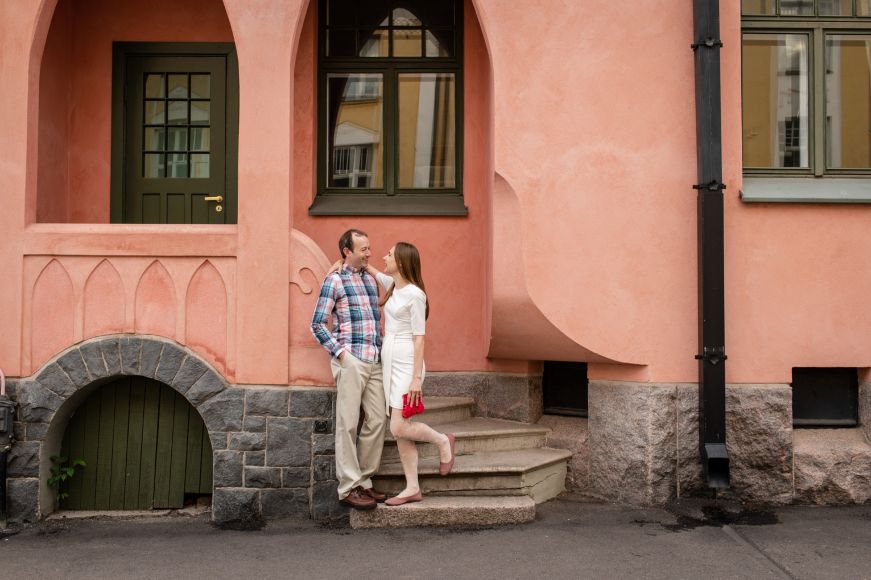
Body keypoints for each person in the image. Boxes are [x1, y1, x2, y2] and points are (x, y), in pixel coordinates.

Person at [346, 241, 456, 506]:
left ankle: (443, 441)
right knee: (399, 431)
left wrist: (416, 378)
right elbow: (374, 271)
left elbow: (420, 338)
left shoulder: (416, 295)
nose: (384, 257)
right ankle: (412, 487)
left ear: (402, 263)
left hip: (407, 361)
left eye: (390, 255)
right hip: (390, 359)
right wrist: (351, 261)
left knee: (398, 425)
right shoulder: (394, 285)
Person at [311, 229, 388, 510]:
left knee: (378, 420)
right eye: (363, 249)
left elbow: (392, 289)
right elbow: (317, 323)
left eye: (369, 248)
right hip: (351, 359)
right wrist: (342, 354)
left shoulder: (371, 280)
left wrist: (369, 266)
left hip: (374, 360)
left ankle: (364, 481)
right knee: (348, 424)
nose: (369, 253)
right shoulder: (333, 281)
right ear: (347, 251)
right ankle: (348, 487)